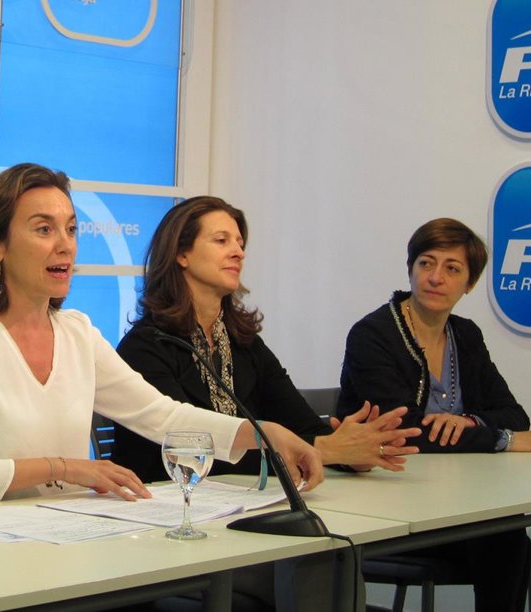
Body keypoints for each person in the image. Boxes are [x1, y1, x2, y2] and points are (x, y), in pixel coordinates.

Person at [0, 164, 324, 509]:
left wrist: (262, 434)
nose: (65, 246)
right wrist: (66, 468)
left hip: (55, 535)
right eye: (44, 230)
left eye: (71, 229)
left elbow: (163, 417)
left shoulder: (77, 332)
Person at [338, 217, 531, 612]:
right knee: (504, 542)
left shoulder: (466, 335)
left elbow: (514, 413)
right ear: (410, 269)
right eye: (426, 263)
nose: (435, 277)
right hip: (385, 506)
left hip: (458, 502)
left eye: (452, 268)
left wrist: (470, 422)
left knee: (507, 536)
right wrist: (502, 440)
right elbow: (406, 431)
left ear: (469, 283)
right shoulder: (373, 334)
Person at [113, 196, 420, 484]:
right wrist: (325, 451)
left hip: (238, 505)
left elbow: (303, 425)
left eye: (239, 243)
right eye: (221, 241)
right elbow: (188, 454)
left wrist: (353, 451)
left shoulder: (243, 342)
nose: (239, 252)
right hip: (165, 508)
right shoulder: (145, 347)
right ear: (181, 254)